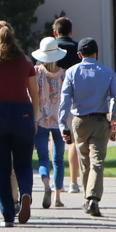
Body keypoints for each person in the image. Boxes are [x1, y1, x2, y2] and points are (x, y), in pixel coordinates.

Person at [0, 22, 36, 227]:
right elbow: (34, 93)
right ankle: (26, 192)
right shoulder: (26, 61)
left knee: (2, 168)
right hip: (23, 114)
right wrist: (34, 118)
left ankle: (8, 216)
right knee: (23, 164)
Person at [58, 37, 116, 217]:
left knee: (84, 161)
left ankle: (88, 198)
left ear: (79, 55)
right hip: (100, 120)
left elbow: (65, 101)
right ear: (97, 53)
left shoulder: (71, 72)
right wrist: (113, 119)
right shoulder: (108, 73)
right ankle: (92, 198)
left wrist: (63, 124)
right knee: (97, 160)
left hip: (79, 121)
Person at [30, 36, 69, 209]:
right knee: (59, 159)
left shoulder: (36, 72)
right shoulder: (64, 74)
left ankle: (46, 184)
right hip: (59, 121)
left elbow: (31, 95)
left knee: (43, 158)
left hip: (40, 119)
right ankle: (58, 196)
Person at [50, 17, 81, 194]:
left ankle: (56, 181)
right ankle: (74, 182)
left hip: (54, 98)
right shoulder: (77, 49)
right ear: (70, 32)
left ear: (55, 32)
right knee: (73, 141)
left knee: (56, 140)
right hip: (74, 98)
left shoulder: (51, 49)